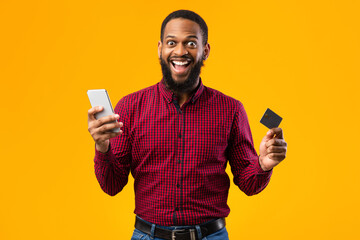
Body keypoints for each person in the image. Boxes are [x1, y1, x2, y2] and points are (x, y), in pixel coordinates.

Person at [87, 9, 287, 240]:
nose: (180, 51)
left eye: (191, 43)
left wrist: (263, 164)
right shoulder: (130, 107)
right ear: (160, 49)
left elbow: (248, 183)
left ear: (205, 50)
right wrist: (102, 148)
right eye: (172, 42)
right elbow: (111, 185)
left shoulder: (231, 109)